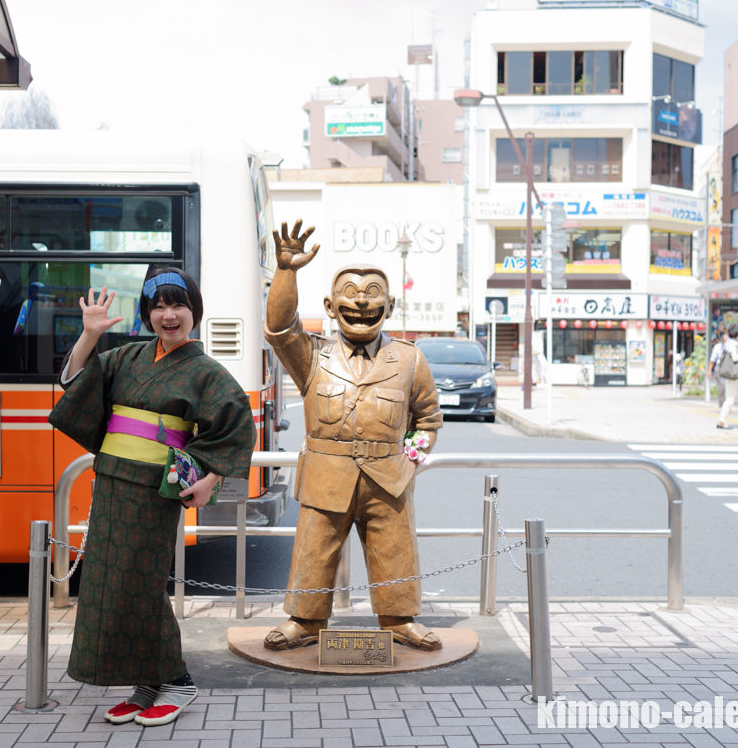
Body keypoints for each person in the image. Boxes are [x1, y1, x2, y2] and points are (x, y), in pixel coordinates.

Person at [47, 268, 256, 727]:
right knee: (106, 583)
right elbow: (74, 383)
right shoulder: (127, 356)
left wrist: (209, 480)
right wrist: (88, 336)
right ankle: (147, 682)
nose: (168, 315)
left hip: (154, 493)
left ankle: (176, 679)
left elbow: (237, 428)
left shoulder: (206, 373)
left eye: (178, 305)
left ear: (194, 313)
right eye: (158, 306)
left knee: (141, 586)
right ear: (147, 313)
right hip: (112, 482)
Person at [263, 220, 444, 652]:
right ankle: (304, 621)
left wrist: (409, 458)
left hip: (388, 476)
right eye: (349, 292)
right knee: (315, 550)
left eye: (373, 294)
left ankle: (399, 619)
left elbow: (428, 419)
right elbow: (277, 328)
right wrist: (286, 271)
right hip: (327, 473)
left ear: (391, 305)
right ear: (329, 305)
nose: (361, 302)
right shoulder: (312, 355)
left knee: (394, 549)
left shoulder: (410, 359)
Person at [708, 330, 729, 407]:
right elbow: (712, 360)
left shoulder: (730, 345)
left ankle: (727, 405)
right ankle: (722, 405)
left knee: (728, 387)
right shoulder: (717, 347)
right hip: (719, 367)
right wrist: (709, 371)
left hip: (728, 367)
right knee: (721, 388)